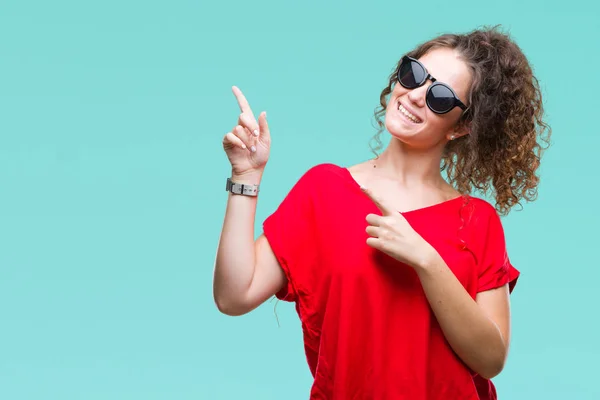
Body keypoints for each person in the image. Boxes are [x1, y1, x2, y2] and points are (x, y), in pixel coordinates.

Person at [213, 26, 550, 400]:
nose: (416, 96)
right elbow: (234, 296)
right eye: (414, 75)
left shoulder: (477, 221)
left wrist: (427, 260)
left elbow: (491, 359)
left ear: (462, 127)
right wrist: (246, 176)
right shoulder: (324, 190)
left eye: (440, 97)